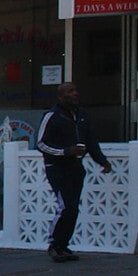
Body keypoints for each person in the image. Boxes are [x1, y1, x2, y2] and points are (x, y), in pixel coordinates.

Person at [34, 80, 111, 262]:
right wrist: (66, 151)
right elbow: (41, 143)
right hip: (57, 168)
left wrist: (102, 161)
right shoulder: (52, 116)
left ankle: (64, 245)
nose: (75, 93)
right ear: (61, 96)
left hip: (76, 168)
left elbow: (91, 141)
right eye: (70, 91)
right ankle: (54, 245)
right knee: (65, 206)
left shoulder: (81, 116)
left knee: (73, 209)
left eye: (76, 90)